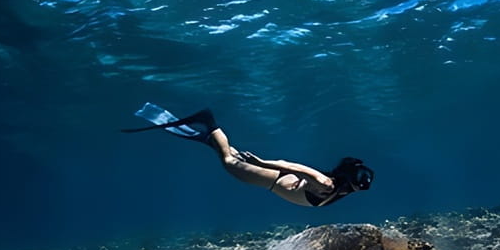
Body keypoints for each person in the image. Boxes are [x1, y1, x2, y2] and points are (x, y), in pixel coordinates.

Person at [122, 103, 374, 207]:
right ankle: (209, 122)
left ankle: (209, 137)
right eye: (356, 184)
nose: (356, 189)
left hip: (275, 180)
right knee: (229, 161)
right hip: (272, 178)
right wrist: (262, 162)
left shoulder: (340, 188)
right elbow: (292, 166)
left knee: (225, 152)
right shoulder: (326, 183)